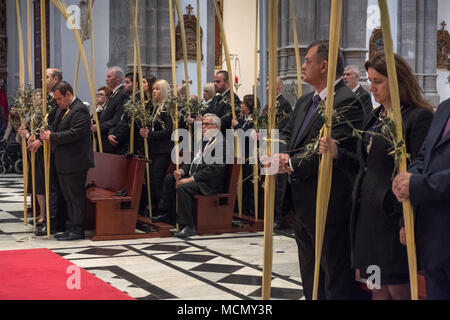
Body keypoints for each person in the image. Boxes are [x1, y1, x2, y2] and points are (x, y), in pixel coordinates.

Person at [320, 52, 434, 299]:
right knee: (376, 287)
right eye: (370, 80)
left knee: (398, 289)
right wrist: (339, 154)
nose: (372, 87)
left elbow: (419, 171)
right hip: (367, 218)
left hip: (393, 219)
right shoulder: (374, 116)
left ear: (397, 80)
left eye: (378, 81)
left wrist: (408, 220)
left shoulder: (416, 117)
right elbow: (365, 167)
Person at [275, 40, 365, 300]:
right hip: (302, 205)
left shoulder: (347, 102)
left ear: (324, 66)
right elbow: (288, 133)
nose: (302, 65)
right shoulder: (305, 101)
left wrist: (290, 164)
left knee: (333, 279)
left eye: (308, 61)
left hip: (328, 204)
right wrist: (282, 152)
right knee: (310, 277)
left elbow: (325, 148)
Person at [392, 98, 450, 299]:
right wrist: (406, 179)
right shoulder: (444, 108)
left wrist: (417, 185)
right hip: (435, 235)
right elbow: (424, 155)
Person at [40, 81, 94, 241]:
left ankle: (77, 230)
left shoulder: (80, 110)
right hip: (64, 161)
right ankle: (70, 227)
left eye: (59, 99)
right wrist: (47, 132)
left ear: (68, 94)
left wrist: (52, 136)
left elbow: (75, 133)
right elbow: (56, 127)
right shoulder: (63, 109)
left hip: (75, 162)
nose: (57, 102)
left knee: (76, 197)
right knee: (67, 196)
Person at [157, 114, 226, 237]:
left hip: (209, 183)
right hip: (196, 178)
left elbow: (215, 169)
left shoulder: (222, 143)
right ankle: (167, 216)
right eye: (202, 124)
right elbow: (192, 160)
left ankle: (188, 226)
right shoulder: (202, 141)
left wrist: (191, 178)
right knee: (169, 179)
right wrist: (182, 171)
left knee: (183, 187)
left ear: (217, 127)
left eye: (206, 124)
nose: (203, 127)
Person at [138, 79, 173, 219]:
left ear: (164, 91)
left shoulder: (168, 108)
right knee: (150, 179)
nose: (154, 91)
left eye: (157, 89)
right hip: (153, 148)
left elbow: (168, 131)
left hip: (163, 150)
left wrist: (150, 134)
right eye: (153, 89)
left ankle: (162, 210)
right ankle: (152, 207)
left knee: (156, 179)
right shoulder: (154, 107)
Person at [232, 95, 259, 217]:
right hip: (241, 154)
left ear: (249, 106)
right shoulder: (243, 120)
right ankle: (242, 210)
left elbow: (249, 135)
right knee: (242, 183)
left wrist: (237, 126)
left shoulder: (255, 120)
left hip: (251, 155)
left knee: (250, 183)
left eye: (243, 103)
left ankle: (251, 212)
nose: (241, 105)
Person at [95, 66, 129, 154]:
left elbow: (117, 118)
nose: (106, 79)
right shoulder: (113, 94)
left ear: (118, 78)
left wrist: (99, 127)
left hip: (111, 139)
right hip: (103, 138)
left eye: (109, 76)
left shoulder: (122, 94)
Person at [201, 70, 240, 135]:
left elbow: (227, 119)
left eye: (218, 82)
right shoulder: (216, 98)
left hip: (223, 136)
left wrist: (211, 124)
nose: (215, 84)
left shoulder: (232, 98)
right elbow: (207, 112)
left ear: (227, 82)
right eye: (214, 81)